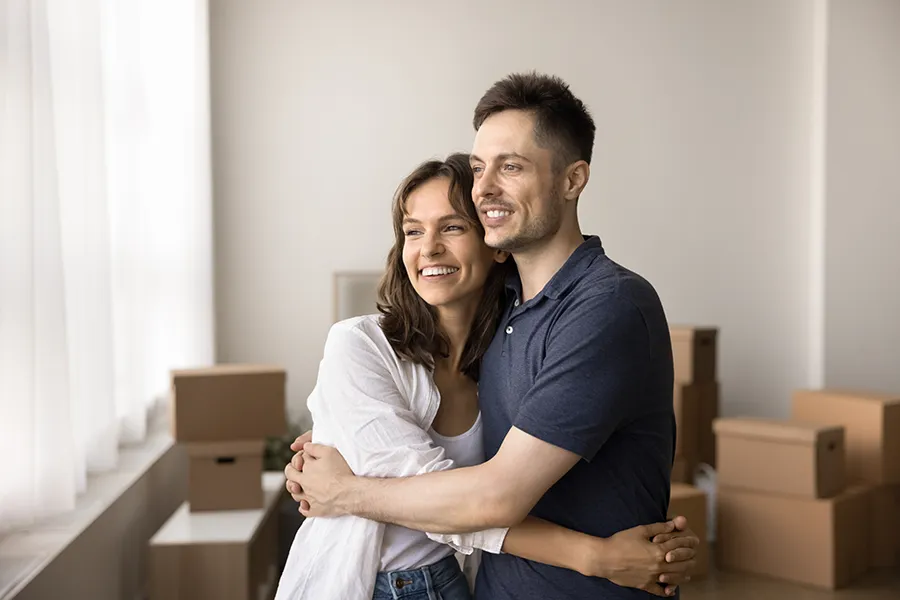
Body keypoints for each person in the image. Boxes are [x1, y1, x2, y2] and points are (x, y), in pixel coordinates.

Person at [286, 72, 690, 599]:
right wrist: (339, 431)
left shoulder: (603, 307)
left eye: (512, 166)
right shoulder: (508, 318)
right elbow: (443, 474)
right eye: (479, 168)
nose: (486, 188)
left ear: (572, 180)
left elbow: (492, 498)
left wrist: (346, 491)